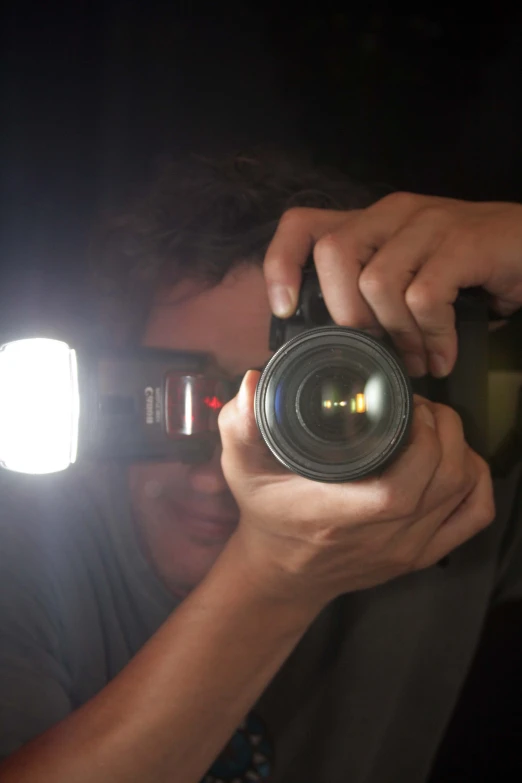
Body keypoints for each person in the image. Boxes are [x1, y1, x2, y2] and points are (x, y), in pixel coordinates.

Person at [0, 152, 521, 783]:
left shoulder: (441, 494)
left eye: (304, 404)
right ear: (112, 382)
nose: (223, 469)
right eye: (191, 398)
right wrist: (276, 575)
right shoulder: (27, 555)